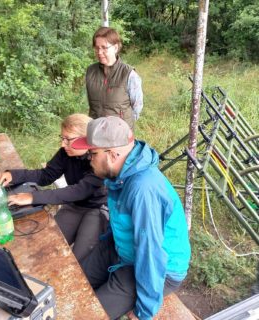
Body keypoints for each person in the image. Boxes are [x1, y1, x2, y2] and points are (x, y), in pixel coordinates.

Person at [71, 116, 191, 320]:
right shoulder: (122, 172)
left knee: (85, 315)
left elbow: (151, 252)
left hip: (158, 267)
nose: (88, 160)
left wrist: (144, 311)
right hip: (122, 247)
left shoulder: (143, 189)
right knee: (73, 283)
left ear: (112, 154)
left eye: (91, 154)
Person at [0, 114, 107, 262]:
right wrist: (14, 175)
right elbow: (46, 176)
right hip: (75, 205)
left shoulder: (99, 159)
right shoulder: (66, 153)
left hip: (98, 209)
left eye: (68, 139)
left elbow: (78, 191)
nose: (63, 144)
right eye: (62, 138)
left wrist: (32, 197)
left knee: (78, 259)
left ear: (87, 139)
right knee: (50, 244)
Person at [86, 27, 143, 129]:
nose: (99, 52)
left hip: (121, 135)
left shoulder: (129, 74)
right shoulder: (90, 72)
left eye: (104, 47)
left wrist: (124, 127)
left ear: (115, 48)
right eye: (97, 47)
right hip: (96, 133)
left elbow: (137, 107)